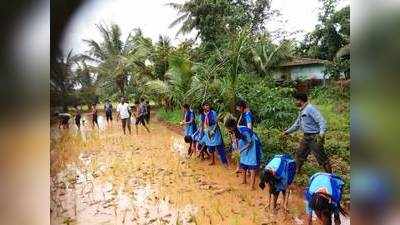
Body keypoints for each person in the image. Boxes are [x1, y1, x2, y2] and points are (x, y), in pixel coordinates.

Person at [283, 92, 332, 173]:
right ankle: (296, 172)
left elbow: (322, 121)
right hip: (306, 137)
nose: (294, 102)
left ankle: (330, 177)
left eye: (295, 100)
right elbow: (297, 124)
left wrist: (321, 134)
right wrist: (287, 132)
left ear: (300, 100)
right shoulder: (302, 110)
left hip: (314, 137)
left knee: (322, 158)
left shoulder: (310, 108)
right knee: (300, 154)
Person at [225, 117, 261, 189]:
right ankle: (244, 180)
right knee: (243, 162)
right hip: (244, 145)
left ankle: (252, 185)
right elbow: (236, 140)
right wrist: (236, 149)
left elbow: (249, 143)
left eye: (229, 128)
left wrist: (240, 150)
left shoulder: (244, 131)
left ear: (232, 126)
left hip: (253, 145)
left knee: (252, 165)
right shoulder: (235, 130)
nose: (228, 130)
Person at [200, 102, 228, 167]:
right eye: (206, 105)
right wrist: (202, 132)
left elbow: (216, 123)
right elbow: (202, 124)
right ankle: (213, 161)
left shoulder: (213, 113)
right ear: (203, 107)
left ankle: (224, 162)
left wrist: (213, 131)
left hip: (215, 131)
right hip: (207, 131)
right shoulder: (202, 114)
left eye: (208, 105)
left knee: (219, 146)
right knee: (210, 147)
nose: (207, 107)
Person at [235, 100, 256, 174]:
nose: (237, 109)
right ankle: (245, 169)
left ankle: (248, 171)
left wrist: (247, 138)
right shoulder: (243, 113)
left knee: (247, 153)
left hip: (247, 137)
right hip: (243, 136)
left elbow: (249, 128)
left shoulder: (247, 115)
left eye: (238, 108)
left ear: (241, 107)